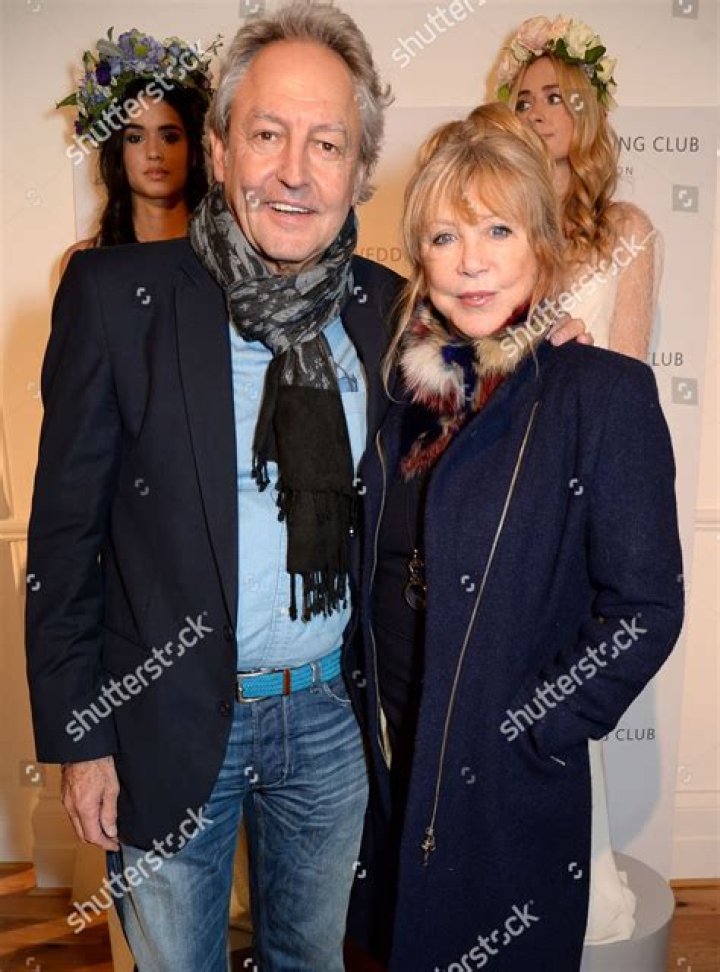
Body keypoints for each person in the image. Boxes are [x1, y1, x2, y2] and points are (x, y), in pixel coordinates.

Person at [26, 5, 586, 970]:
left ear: (359, 167)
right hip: (163, 723)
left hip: (329, 722)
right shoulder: (116, 299)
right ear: (218, 149)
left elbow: (479, 391)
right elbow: (64, 538)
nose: (295, 171)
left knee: (312, 960)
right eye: (268, 135)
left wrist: (546, 352)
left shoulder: (385, 307)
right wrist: (82, 739)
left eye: (327, 143)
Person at [347, 116, 683, 971]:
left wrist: (536, 726)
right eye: (445, 237)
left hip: (504, 779)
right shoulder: (398, 391)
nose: (472, 261)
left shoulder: (600, 393)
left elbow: (645, 608)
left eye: (498, 230)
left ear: (541, 240)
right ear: (420, 259)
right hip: (387, 760)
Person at [495, 14, 661, 359]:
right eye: (524, 103)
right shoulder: (495, 229)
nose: (535, 114)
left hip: (592, 394)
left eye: (554, 98)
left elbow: (628, 372)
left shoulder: (627, 230)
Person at [57, 27, 217, 273]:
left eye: (169, 137)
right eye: (135, 138)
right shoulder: (84, 262)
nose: (154, 152)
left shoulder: (226, 257)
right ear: (117, 152)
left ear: (192, 150)